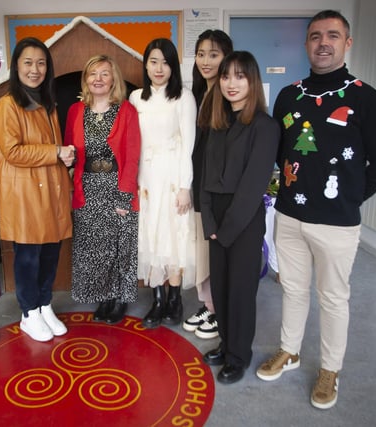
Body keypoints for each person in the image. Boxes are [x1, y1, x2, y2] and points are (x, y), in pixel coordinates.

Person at [256, 10, 376, 409]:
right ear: (306, 44)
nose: (323, 43)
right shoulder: (289, 95)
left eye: (333, 35)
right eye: (315, 35)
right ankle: (290, 351)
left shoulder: (367, 99)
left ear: (347, 43)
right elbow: (279, 153)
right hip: (289, 216)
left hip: (337, 224)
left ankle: (330, 369)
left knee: (333, 297)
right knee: (294, 290)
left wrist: (349, 199)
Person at [199, 51, 279, 384]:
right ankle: (226, 343)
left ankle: (238, 355)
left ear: (252, 81)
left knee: (241, 290)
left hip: (243, 221)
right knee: (220, 287)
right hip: (216, 218)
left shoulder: (265, 126)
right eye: (226, 76)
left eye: (240, 76)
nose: (231, 84)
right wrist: (209, 224)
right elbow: (204, 175)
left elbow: (252, 186)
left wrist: (226, 230)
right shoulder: (217, 122)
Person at [0, 37, 74, 342]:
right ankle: (28, 313)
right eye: (28, 62)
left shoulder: (46, 104)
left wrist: (61, 155)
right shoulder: (7, 105)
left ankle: (43, 304)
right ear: (16, 66)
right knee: (28, 257)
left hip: (50, 193)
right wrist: (55, 152)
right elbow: (12, 151)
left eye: (41, 63)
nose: (35, 69)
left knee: (50, 253)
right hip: (26, 196)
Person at [64, 55, 141, 325]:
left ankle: (119, 299)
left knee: (119, 247)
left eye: (104, 73)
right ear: (85, 79)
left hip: (116, 185)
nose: (98, 78)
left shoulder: (126, 111)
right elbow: (69, 151)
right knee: (94, 248)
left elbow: (132, 156)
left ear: (113, 80)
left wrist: (125, 194)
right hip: (87, 187)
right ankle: (103, 296)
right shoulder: (75, 111)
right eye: (92, 73)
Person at [129, 38, 197, 329]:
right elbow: (132, 143)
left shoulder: (183, 97)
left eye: (166, 62)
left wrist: (184, 186)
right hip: (145, 177)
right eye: (154, 61)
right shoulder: (135, 98)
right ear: (146, 64)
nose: (159, 68)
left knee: (173, 236)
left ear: (174, 66)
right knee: (149, 236)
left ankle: (175, 298)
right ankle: (157, 299)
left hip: (172, 176)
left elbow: (188, 145)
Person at [182, 29, 233, 340]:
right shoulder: (199, 94)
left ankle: (216, 309)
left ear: (226, 57)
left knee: (213, 249)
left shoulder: (227, 96)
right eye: (201, 54)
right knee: (201, 249)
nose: (205, 60)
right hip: (198, 185)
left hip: (216, 190)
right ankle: (207, 303)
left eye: (213, 54)